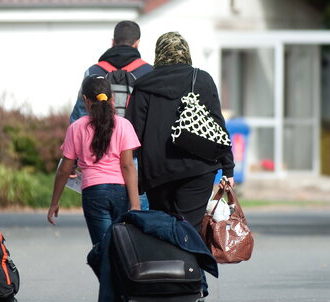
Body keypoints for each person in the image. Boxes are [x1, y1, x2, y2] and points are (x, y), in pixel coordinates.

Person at [125, 31, 235, 232]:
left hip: (157, 172)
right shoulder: (201, 79)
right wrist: (228, 169)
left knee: (163, 230)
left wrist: (126, 171)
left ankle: (168, 262)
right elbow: (218, 125)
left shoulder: (144, 85)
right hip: (198, 168)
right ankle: (193, 263)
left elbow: (132, 132)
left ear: (159, 53)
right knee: (190, 230)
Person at [68, 20, 153, 210]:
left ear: (113, 41)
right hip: (137, 162)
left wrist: (72, 160)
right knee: (138, 227)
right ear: (137, 43)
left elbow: (79, 115)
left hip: (98, 163)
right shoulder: (149, 73)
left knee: (105, 230)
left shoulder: (93, 72)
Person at [48, 75, 141, 246]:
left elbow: (64, 170)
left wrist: (54, 202)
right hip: (121, 193)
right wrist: (135, 205)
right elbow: (128, 165)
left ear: (85, 99)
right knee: (120, 246)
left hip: (94, 193)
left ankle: (108, 273)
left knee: (102, 249)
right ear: (111, 98)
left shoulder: (76, 128)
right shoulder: (124, 125)